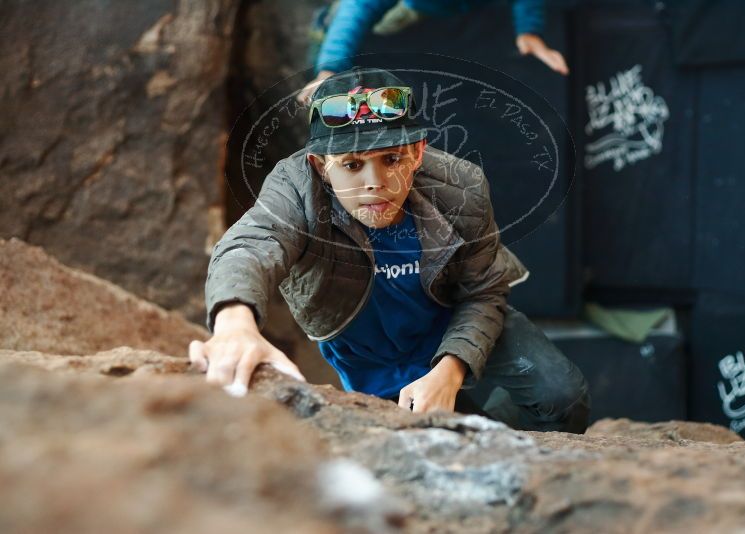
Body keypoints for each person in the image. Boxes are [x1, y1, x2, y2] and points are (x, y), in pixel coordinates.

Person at [189, 66, 590, 433]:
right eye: (351, 165)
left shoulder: (461, 185)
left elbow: (483, 291)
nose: (375, 183)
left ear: (417, 152)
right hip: (369, 342)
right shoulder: (295, 187)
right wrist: (234, 324)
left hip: (452, 312)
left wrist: (451, 369)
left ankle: (510, 440)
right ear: (319, 165)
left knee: (562, 397)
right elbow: (250, 245)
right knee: (437, 439)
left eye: (391, 158)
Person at [296, 0, 569, 104]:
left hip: (461, 12)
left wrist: (529, 31)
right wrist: (329, 69)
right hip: (410, 10)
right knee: (347, 22)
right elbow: (357, 9)